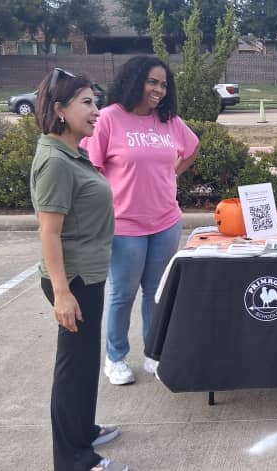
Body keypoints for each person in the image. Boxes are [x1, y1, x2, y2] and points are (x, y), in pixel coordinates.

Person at [30, 67, 127, 471]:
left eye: (96, 101)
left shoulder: (73, 153)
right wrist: (63, 293)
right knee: (73, 368)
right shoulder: (54, 161)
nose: (96, 110)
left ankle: (82, 430)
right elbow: (49, 234)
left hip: (88, 273)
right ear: (59, 109)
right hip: (73, 279)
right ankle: (73, 460)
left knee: (86, 361)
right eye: (86, 102)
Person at [83, 55, 200, 386]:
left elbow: (192, 148)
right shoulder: (108, 119)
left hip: (165, 220)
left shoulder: (169, 121)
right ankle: (115, 357)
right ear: (134, 80)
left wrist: (171, 174)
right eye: (152, 82)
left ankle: (154, 353)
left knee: (156, 292)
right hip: (124, 225)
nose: (159, 90)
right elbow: (92, 166)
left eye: (164, 84)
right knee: (123, 292)